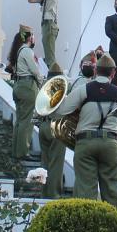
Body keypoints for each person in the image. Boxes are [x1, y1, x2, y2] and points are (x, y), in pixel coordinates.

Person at [54, 54, 117, 208]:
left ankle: (84, 228)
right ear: (113, 73)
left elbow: (61, 110)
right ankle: (115, 229)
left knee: (85, 191)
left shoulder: (83, 90)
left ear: (96, 71)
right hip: (109, 143)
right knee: (111, 191)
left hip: (85, 143)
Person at [10, 25, 43, 160]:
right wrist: (42, 82)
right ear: (29, 37)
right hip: (27, 86)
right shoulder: (27, 51)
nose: (34, 38)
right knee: (27, 120)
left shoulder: (18, 51)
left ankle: (16, 150)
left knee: (20, 120)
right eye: (33, 35)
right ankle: (23, 151)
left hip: (18, 86)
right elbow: (35, 71)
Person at [39, 61, 67, 197]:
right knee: (56, 163)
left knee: (45, 162)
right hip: (56, 127)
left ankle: (44, 192)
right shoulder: (62, 89)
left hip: (43, 126)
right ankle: (54, 194)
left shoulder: (42, 89)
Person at [26, 0, 60, 67]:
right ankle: (52, 72)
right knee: (48, 55)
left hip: (50, 25)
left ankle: (53, 75)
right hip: (46, 25)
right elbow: (31, 0)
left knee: (50, 58)